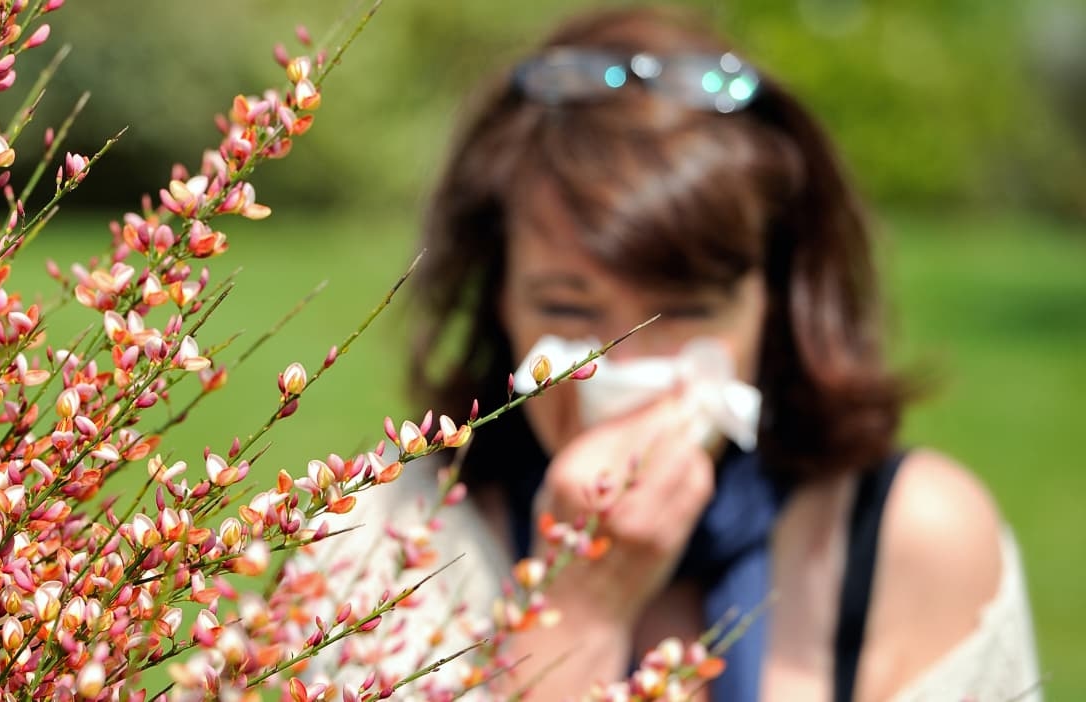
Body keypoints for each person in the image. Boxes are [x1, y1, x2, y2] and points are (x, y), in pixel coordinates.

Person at [401, 5, 1041, 702]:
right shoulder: (405, 546)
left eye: (686, 311)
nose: (626, 365)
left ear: (776, 300)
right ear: (497, 300)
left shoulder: (912, 545)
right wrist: (577, 609)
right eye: (568, 309)